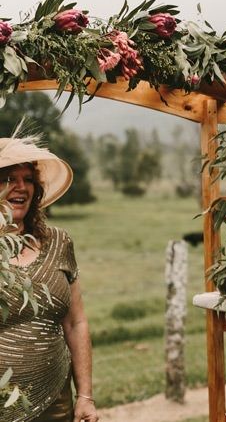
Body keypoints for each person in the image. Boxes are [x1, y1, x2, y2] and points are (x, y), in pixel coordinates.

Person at [0, 132, 99, 422]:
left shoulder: (59, 242)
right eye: (8, 178)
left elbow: (76, 322)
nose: (20, 187)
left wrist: (85, 396)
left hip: (55, 400)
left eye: (28, 179)